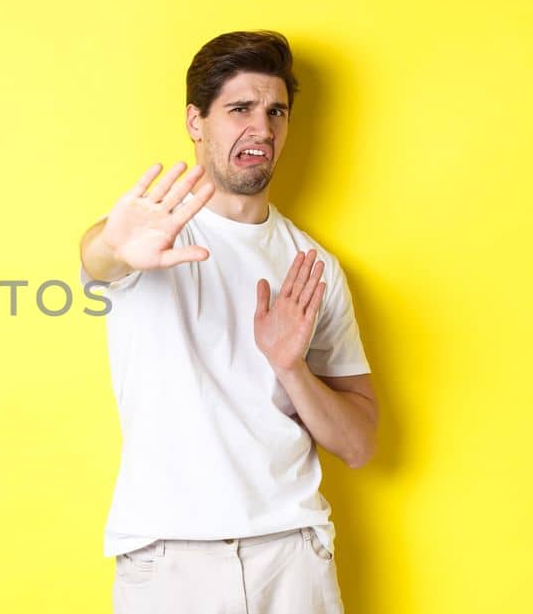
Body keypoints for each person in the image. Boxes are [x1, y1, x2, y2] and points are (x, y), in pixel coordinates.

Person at [78, 30, 379, 614]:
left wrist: (292, 369)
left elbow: (360, 444)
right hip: (167, 560)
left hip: (291, 557)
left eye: (276, 112)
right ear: (196, 121)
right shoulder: (150, 234)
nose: (262, 130)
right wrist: (111, 244)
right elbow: (98, 257)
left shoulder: (312, 265)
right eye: (239, 109)